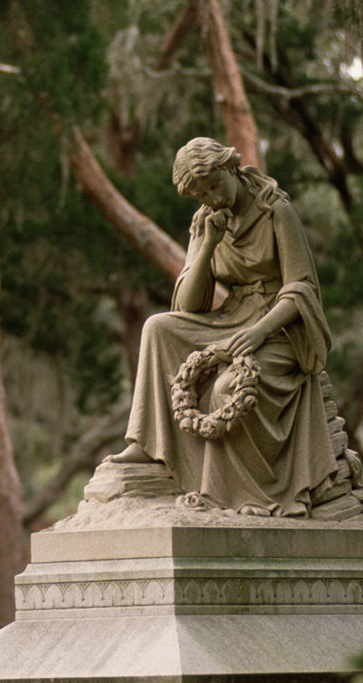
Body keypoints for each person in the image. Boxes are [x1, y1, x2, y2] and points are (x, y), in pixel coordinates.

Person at [105, 137, 335, 517]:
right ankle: (146, 444)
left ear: (230, 168)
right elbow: (187, 305)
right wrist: (209, 245)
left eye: (214, 184)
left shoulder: (275, 210)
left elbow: (302, 289)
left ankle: (237, 492)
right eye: (202, 193)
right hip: (230, 317)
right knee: (158, 327)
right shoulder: (206, 221)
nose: (212, 196)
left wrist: (260, 332)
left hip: (277, 325)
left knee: (228, 389)